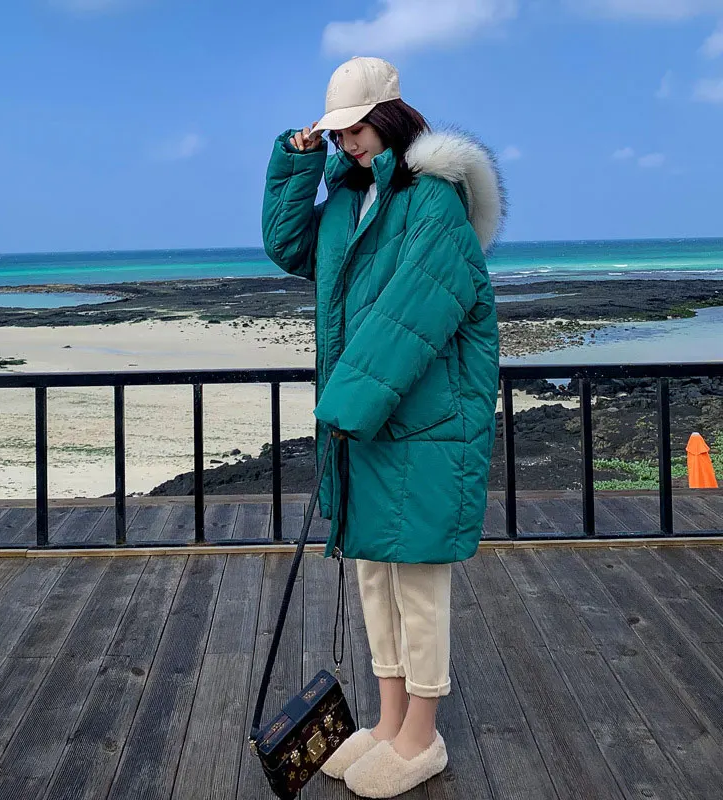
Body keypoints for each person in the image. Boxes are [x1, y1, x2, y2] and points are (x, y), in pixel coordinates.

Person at [262, 56, 504, 799]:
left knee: (419, 582)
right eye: (338, 133)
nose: (348, 142)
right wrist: (296, 162)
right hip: (368, 424)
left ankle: (422, 736)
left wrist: (344, 405)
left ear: (390, 118)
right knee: (375, 574)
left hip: (422, 421)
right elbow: (288, 247)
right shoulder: (347, 200)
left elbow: (413, 314)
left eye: (357, 128)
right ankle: (390, 721)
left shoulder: (433, 201)